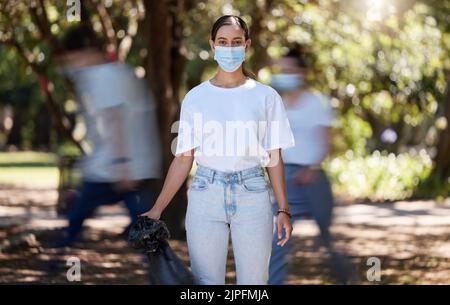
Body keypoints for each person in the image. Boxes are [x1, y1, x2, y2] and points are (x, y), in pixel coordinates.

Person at [142, 15, 295, 285]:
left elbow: (274, 157)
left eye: (236, 42)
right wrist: (157, 208)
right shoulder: (196, 98)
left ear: (247, 45)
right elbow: (183, 158)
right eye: (223, 42)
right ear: (212, 45)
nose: (229, 47)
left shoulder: (266, 96)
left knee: (254, 285)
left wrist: (284, 209)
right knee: (205, 285)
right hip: (205, 194)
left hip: (253, 194)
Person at [55, 25, 162, 246]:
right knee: (147, 234)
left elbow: (115, 120)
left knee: (75, 221)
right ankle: (168, 276)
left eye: (73, 58)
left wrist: (122, 164)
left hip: (114, 170)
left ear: (87, 53)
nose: (71, 65)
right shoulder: (118, 71)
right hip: (133, 166)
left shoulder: (101, 75)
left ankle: (52, 267)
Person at [269, 47, 352, 284]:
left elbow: (326, 143)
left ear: (303, 73)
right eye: (282, 70)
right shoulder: (277, 104)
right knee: (279, 242)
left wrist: (312, 168)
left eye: (290, 70)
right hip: (286, 179)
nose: (285, 74)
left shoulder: (316, 102)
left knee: (326, 237)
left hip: (313, 179)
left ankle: (347, 278)